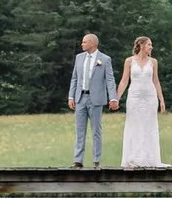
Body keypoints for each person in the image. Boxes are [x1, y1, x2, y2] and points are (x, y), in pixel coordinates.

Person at [115, 36, 166, 169]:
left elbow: (156, 81)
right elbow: (124, 80)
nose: (151, 47)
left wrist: (161, 99)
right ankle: (133, 157)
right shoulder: (129, 61)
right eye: (149, 45)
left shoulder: (153, 62)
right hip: (134, 97)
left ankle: (149, 158)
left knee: (149, 125)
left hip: (150, 96)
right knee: (134, 124)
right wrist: (117, 98)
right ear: (142, 46)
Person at [67, 32, 114, 168]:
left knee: (96, 131)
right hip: (80, 98)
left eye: (84, 42)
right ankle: (78, 160)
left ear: (93, 43)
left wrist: (113, 98)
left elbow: (110, 80)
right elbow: (75, 78)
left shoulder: (104, 59)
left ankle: (96, 160)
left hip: (96, 99)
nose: (82, 44)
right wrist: (71, 96)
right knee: (80, 131)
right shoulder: (79, 58)